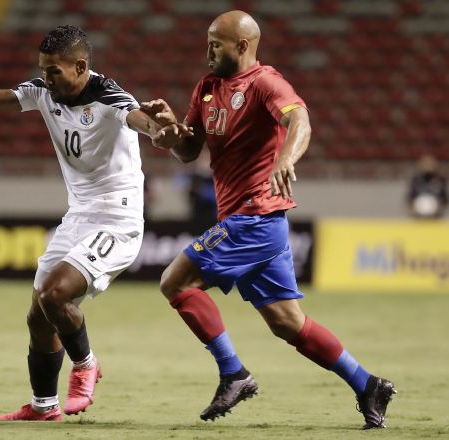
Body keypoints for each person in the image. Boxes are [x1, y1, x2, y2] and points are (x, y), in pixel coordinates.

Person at [142, 10, 396, 429]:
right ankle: (368, 384)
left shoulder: (265, 84)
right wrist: (169, 133)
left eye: (216, 44)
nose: (207, 51)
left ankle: (234, 374)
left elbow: (300, 119)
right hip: (259, 223)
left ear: (242, 46)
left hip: (254, 216)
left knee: (175, 281)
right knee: (287, 323)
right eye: (207, 42)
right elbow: (189, 150)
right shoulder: (207, 88)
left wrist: (285, 157)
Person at [0, 25, 185, 422]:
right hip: (78, 216)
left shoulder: (112, 98)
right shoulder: (44, 91)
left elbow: (144, 123)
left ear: (80, 66)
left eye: (54, 71)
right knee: (38, 316)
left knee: (54, 294)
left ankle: (87, 364)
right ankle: (44, 407)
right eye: (43, 70)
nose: (46, 79)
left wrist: (163, 130)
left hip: (117, 220)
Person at [406, 154, 449, 219]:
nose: (428, 166)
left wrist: (440, 206)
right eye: (425, 164)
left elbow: (447, 199)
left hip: (436, 216)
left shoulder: (441, 180)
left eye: (430, 163)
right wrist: (413, 208)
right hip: (418, 216)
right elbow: (409, 198)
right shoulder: (415, 180)